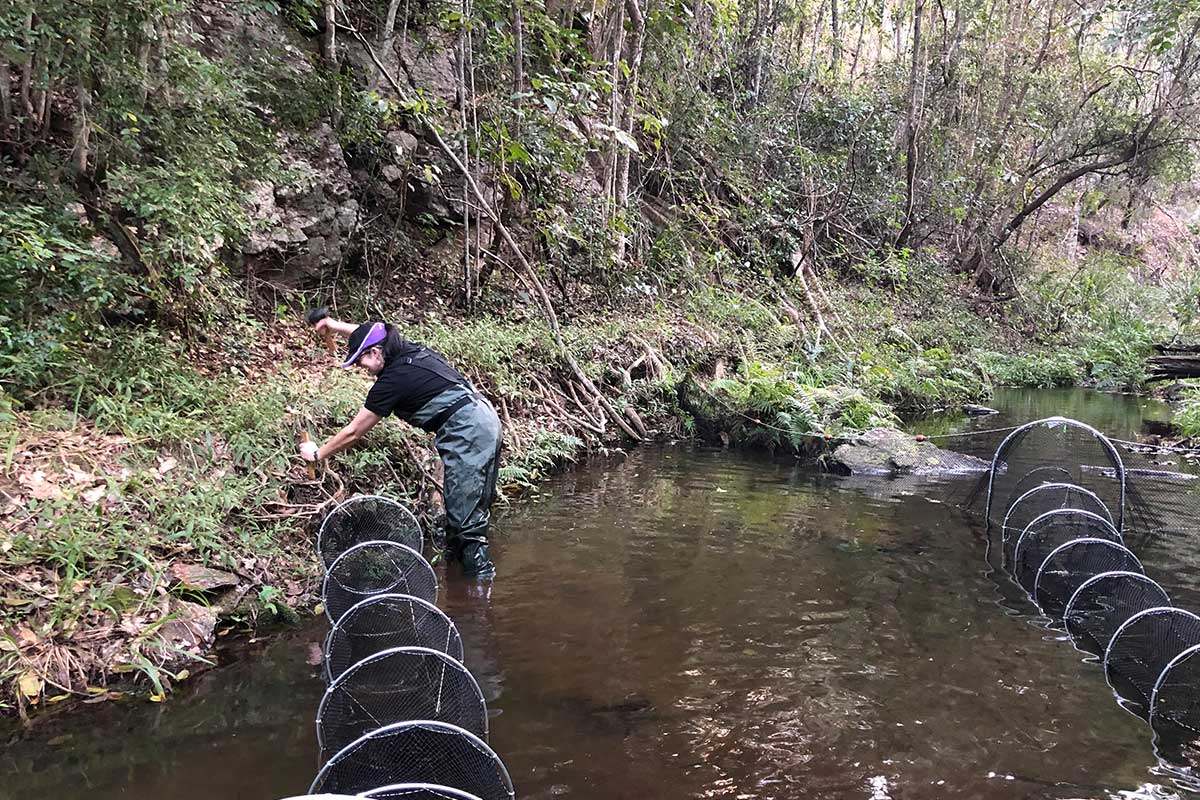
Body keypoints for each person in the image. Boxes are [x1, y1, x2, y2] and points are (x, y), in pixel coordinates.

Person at [299, 315, 502, 577]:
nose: (362, 367)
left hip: (468, 431)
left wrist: (317, 454)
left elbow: (354, 432)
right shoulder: (403, 349)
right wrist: (335, 327)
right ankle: (457, 577)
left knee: (466, 520)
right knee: (467, 509)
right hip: (484, 418)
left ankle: (479, 593)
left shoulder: (391, 381)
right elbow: (372, 334)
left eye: (361, 360)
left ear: (374, 352)